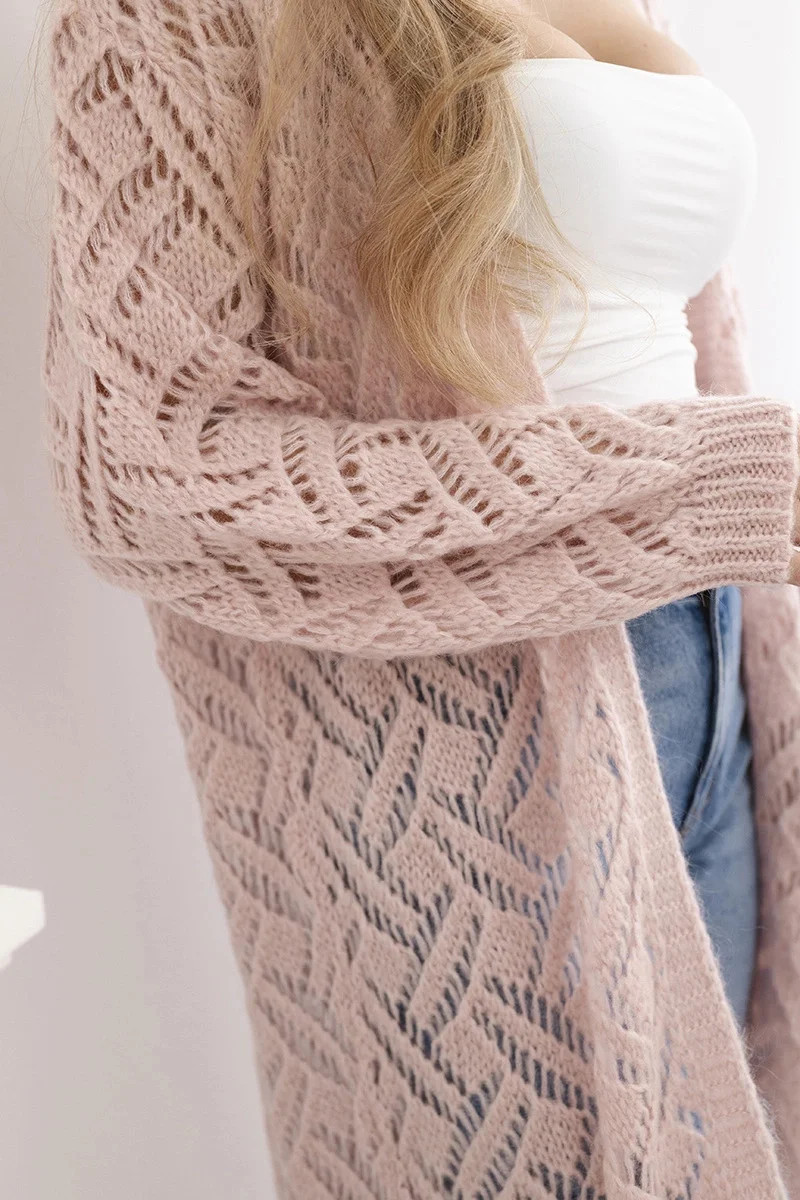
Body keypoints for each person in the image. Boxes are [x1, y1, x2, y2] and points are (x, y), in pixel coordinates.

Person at [43, 0, 800, 1194]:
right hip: (463, 729)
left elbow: (642, 325)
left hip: (713, 664)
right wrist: (712, 488)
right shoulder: (168, 17)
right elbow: (150, 469)